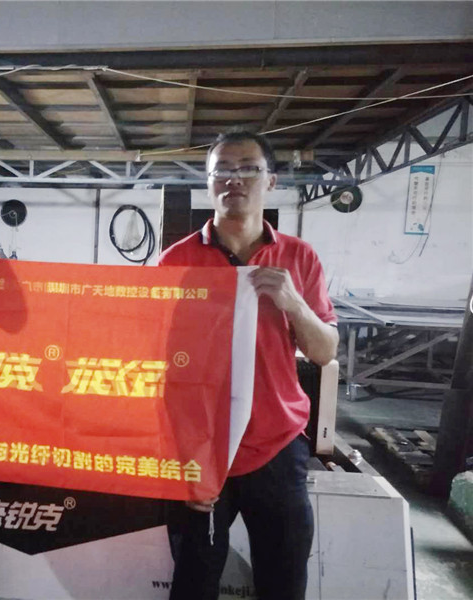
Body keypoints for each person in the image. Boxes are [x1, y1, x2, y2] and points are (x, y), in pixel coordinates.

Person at [160, 130, 339, 600]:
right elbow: (161, 368)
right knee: (193, 581)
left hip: (277, 445)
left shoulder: (298, 258)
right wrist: (183, 457)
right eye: (221, 170)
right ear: (207, 182)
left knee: (283, 582)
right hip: (202, 449)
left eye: (247, 169)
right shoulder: (176, 262)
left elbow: (325, 352)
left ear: (271, 181)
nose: (233, 179)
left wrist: (294, 304)